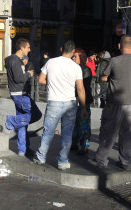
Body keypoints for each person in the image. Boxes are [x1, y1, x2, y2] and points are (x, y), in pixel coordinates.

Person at [88, 36, 131, 170]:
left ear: (119, 46)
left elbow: (104, 77)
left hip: (114, 102)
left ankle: (101, 159)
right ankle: (126, 162)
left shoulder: (115, 60)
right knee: (127, 133)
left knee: (109, 132)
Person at [34, 40, 88, 170]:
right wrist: (84, 107)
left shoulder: (51, 62)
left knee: (48, 131)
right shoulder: (76, 67)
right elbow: (80, 89)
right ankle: (63, 161)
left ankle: (41, 157)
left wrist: (52, 82)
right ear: (73, 51)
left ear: (61, 49)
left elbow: (40, 80)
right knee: (67, 133)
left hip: (54, 102)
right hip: (70, 103)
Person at [5, 38, 42, 157]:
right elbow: (19, 78)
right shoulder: (16, 61)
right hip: (20, 94)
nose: (30, 50)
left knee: (23, 123)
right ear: (22, 48)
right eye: (28, 47)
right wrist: (28, 74)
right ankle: (11, 121)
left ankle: (23, 150)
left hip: (17, 93)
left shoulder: (12, 60)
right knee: (36, 115)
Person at [71, 48, 93, 155]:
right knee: (74, 123)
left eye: (75, 56)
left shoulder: (85, 70)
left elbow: (82, 88)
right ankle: (74, 143)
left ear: (82, 58)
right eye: (73, 56)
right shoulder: (73, 68)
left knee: (84, 124)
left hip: (83, 100)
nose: (73, 58)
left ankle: (85, 145)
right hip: (73, 100)